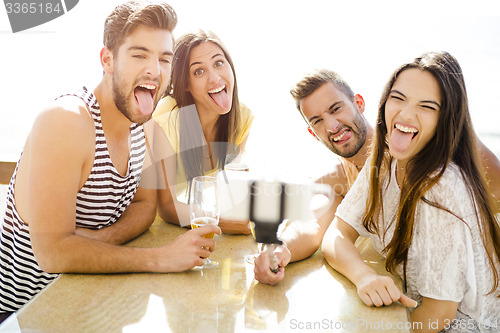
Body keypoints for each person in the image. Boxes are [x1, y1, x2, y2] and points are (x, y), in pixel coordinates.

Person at [0, 1, 220, 316]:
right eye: (139, 54)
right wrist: (159, 258)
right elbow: (52, 254)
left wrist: (104, 238)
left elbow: (145, 207)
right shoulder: (66, 121)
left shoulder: (146, 128)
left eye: (164, 59)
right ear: (108, 60)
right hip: (24, 316)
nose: (154, 70)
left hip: (91, 306)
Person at [254, 67, 500, 285]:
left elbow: (495, 188)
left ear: (359, 103)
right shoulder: (338, 178)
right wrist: (278, 249)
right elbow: (310, 224)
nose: (332, 126)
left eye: (336, 109)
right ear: (312, 132)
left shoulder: (417, 140)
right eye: (318, 121)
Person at [322, 51, 500, 332]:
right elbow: (337, 233)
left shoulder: (442, 187)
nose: (405, 114)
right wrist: (363, 275)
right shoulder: (384, 160)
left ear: (446, 120)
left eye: (427, 106)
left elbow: (439, 314)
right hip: (415, 310)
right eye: (398, 98)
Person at [152, 30, 254, 234]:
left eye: (218, 63)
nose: (215, 78)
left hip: (190, 222)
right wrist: (222, 222)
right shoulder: (168, 115)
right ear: (186, 84)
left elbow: (231, 190)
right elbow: (166, 207)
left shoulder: (241, 118)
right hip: (157, 228)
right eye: (199, 71)